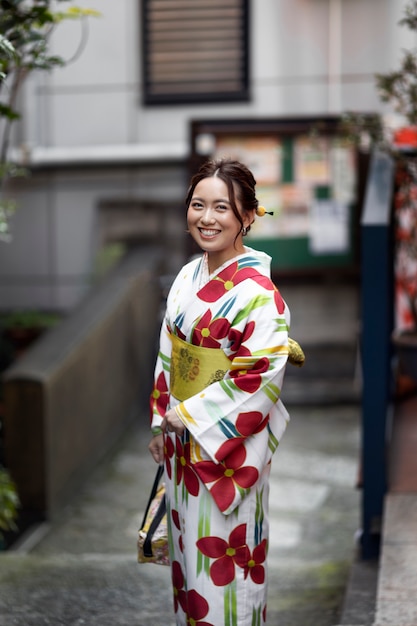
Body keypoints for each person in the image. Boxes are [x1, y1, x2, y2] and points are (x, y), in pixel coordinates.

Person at [148, 158, 291, 626]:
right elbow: (170, 350)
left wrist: (188, 414)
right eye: (197, 205)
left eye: (221, 208)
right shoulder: (190, 275)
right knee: (190, 565)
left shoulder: (258, 293)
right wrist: (160, 420)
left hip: (226, 453)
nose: (206, 218)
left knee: (227, 567)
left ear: (248, 216)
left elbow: (260, 373)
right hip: (183, 445)